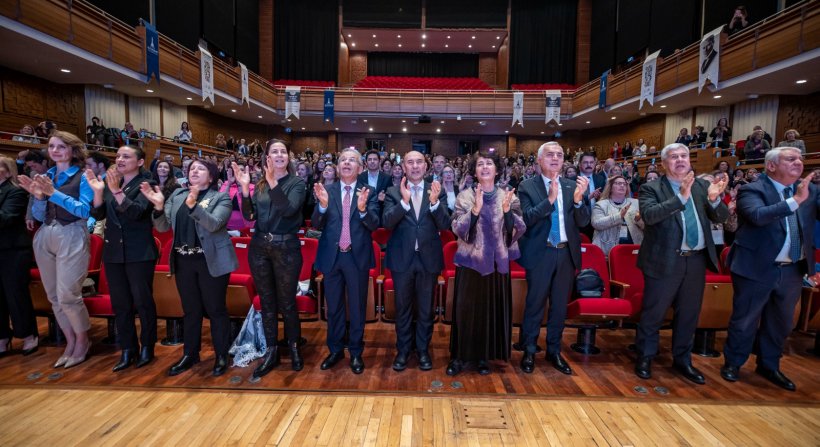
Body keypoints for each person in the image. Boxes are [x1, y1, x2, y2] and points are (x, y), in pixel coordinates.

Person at [721, 147, 819, 391]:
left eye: (800, 159)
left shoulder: (811, 191)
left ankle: (769, 365)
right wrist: (795, 201)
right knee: (746, 320)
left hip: (792, 269)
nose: (798, 162)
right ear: (772, 166)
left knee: (781, 322)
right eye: (790, 159)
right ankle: (733, 363)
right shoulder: (753, 189)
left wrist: (802, 197)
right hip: (755, 266)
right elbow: (757, 216)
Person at [635, 143, 728, 385]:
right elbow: (650, 216)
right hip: (664, 259)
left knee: (688, 314)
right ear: (665, 163)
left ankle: (683, 360)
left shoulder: (702, 186)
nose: (680, 160)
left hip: (695, 260)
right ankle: (645, 356)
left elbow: (721, 218)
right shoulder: (650, 188)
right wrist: (680, 197)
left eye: (684, 156)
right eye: (674, 157)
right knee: (653, 313)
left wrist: (716, 200)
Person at [141, 159, 238, 377]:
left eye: (201, 168)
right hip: (183, 260)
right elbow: (163, 226)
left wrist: (194, 204)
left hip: (210, 260)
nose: (194, 171)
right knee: (191, 310)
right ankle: (190, 354)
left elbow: (213, 224)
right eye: (192, 168)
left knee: (216, 309)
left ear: (211, 176)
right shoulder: (177, 196)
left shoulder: (220, 197)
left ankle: (222, 354)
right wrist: (157, 207)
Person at [18, 131, 93, 369]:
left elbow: (83, 210)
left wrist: (53, 194)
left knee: (68, 295)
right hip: (46, 233)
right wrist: (39, 198)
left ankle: (82, 340)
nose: (56, 150)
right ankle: (70, 341)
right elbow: (39, 215)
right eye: (52, 146)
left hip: (72, 232)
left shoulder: (83, 176)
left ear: (73, 150)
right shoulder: (46, 175)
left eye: (62, 146)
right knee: (53, 296)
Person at [446, 150, 525, 376]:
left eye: (489, 164)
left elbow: (519, 229)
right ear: (475, 171)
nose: (485, 167)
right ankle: (459, 356)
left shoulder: (508, 196)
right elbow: (457, 230)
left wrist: (508, 212)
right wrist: (475, 210)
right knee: (465, 311)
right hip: (471, 263)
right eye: (480, 164)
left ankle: (483, 356)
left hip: (497, 264)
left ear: (497, 170)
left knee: (489, 313)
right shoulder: (464, 196)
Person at [232, 140, 306, 376]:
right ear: (267, 158)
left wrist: (274, 182)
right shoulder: (261, 185)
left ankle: (294, 347)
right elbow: (249, 215)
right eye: (274, 151)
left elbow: (288, 210)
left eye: (283, 151)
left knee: (287, 302)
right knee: (267, 303)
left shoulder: (297, 184)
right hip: (260, 247)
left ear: (288, 157)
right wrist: (245, 189)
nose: (279, 154)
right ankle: (271, 351)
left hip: (287, 248)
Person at [517, 142, 589, 375]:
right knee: (535, 305)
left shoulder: (571, 186)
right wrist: (549, 200)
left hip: (566, 253)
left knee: (559, 307)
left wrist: (579, 201)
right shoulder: (528, 186)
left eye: (559, 154)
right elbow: (527, 219)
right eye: (550, 155)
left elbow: (583, 222)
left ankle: (554, 351)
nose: (555, 158)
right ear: (539, 160)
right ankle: (529, 350)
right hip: (541, 253)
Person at [87, 146, 158, 372]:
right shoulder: (111, 183)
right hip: (113, 252)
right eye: (117, 156)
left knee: (143, 302)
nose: (120, 159)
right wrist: (99, 192)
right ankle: (128, 348)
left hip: (139, 251)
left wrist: (116, 191)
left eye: (126, 156)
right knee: (121, 304)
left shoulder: (147, 184)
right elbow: (98, 215)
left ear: (139, 162)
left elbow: (137, 212)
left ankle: (147, 346)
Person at [311, 148, 379, 374]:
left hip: (356, 256)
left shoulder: (368, 191)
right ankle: (335, 349)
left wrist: (362, 210)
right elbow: (316, 224)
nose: (347, 163)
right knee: (334, 308)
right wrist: (321, 206)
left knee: (358, 307)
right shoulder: (327, 190)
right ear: (337, 167)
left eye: (352, 161)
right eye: (343, 160)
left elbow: (374, 223)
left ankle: (356, 352)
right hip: (332, 257)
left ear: (360, 168)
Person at [382, 151, 451, 372]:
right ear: (403, 166)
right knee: (402, 309)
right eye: (410, 162)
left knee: (425, 310)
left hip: (428, 259)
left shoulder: (436, 190)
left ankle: (422, 350)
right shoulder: (393, 191)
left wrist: (433, 204)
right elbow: (387, 222)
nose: (414, 166)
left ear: (426, 166)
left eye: (419, 162)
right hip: (402, 259)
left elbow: (445, 225)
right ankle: (402, 351)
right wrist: (403, 202)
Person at [0, 156, 38, 357]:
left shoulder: (15, 191)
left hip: (12, 251)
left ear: (7, 171)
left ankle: (28, 335)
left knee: (16, 295)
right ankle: (2, 337)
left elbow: (7, 218)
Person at [592, 175, 644, 256]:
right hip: (608, 250)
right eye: (618, 183)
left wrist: (638, 219)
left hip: (635, 248)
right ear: (611, 187)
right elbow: (596, 223)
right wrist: (619, 216)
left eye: (624, 184)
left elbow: (645, 227)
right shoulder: (601, 204)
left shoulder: (635, 203)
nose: (622, 185)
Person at [359, 150, 392, 217]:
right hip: (363, 214)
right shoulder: (360, 177)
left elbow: (390, 198)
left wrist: (385, 198)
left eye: (375, 159)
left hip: (381, 214)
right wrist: (377, 198)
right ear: (366, 162)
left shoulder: (387, 178)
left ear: (379, 162)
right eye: (369, 159)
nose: (372, 161)